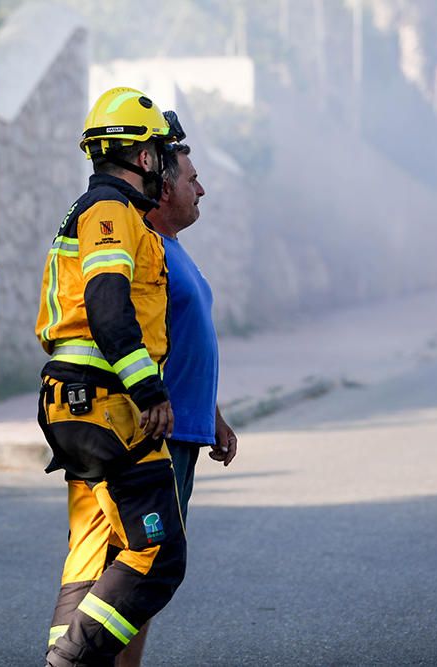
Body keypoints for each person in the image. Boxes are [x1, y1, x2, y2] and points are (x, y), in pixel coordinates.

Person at [35, 87, 185, 667]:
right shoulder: (109, 212)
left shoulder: (108, 213)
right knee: (158, 553)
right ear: (144, 159)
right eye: (163, 152)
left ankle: (65, 656)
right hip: (108, 407)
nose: (168, 163)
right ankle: (70, 663)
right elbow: (107, 303)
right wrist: (149, 389)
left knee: (91, 558)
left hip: (76, 405)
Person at [115, 144, 238, 667]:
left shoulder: (175, 250)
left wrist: (213, 415)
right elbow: (139, 339)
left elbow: (183, 341)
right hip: (157, 434)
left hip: (186, 430)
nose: (201, 189)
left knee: (150, 569)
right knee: (141, 566)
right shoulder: (150, 251)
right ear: (164, 189)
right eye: (192, 178)